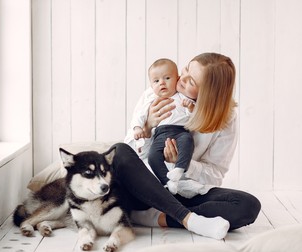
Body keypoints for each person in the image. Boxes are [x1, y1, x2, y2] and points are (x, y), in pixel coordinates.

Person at [112, 52, 261, 240]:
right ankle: (189, 218)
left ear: (207, 95)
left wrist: (184, 164)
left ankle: (158, 217)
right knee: (118, 151)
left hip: (182, 190)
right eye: (186, 69)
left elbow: (215, 174)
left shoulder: (226, 119)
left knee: (248, 205)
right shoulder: (156, 92)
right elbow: (130, 156)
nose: (181, 79)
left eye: (191, 82)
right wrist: (148, 129)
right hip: (144, 190)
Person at [124, 58, 196, 194]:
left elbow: (193, 115)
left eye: (167, 78)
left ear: (177, 79)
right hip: (160, 134)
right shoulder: (150, 98)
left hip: (181, 131)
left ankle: (179, 169)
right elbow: (139, 116)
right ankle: (167, 182)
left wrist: (190, 108)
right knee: (153, 157)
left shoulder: (182, 96)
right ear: (151, 85)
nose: (162, 83)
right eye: (156, 81)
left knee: (187, 142)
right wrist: (140, 128)